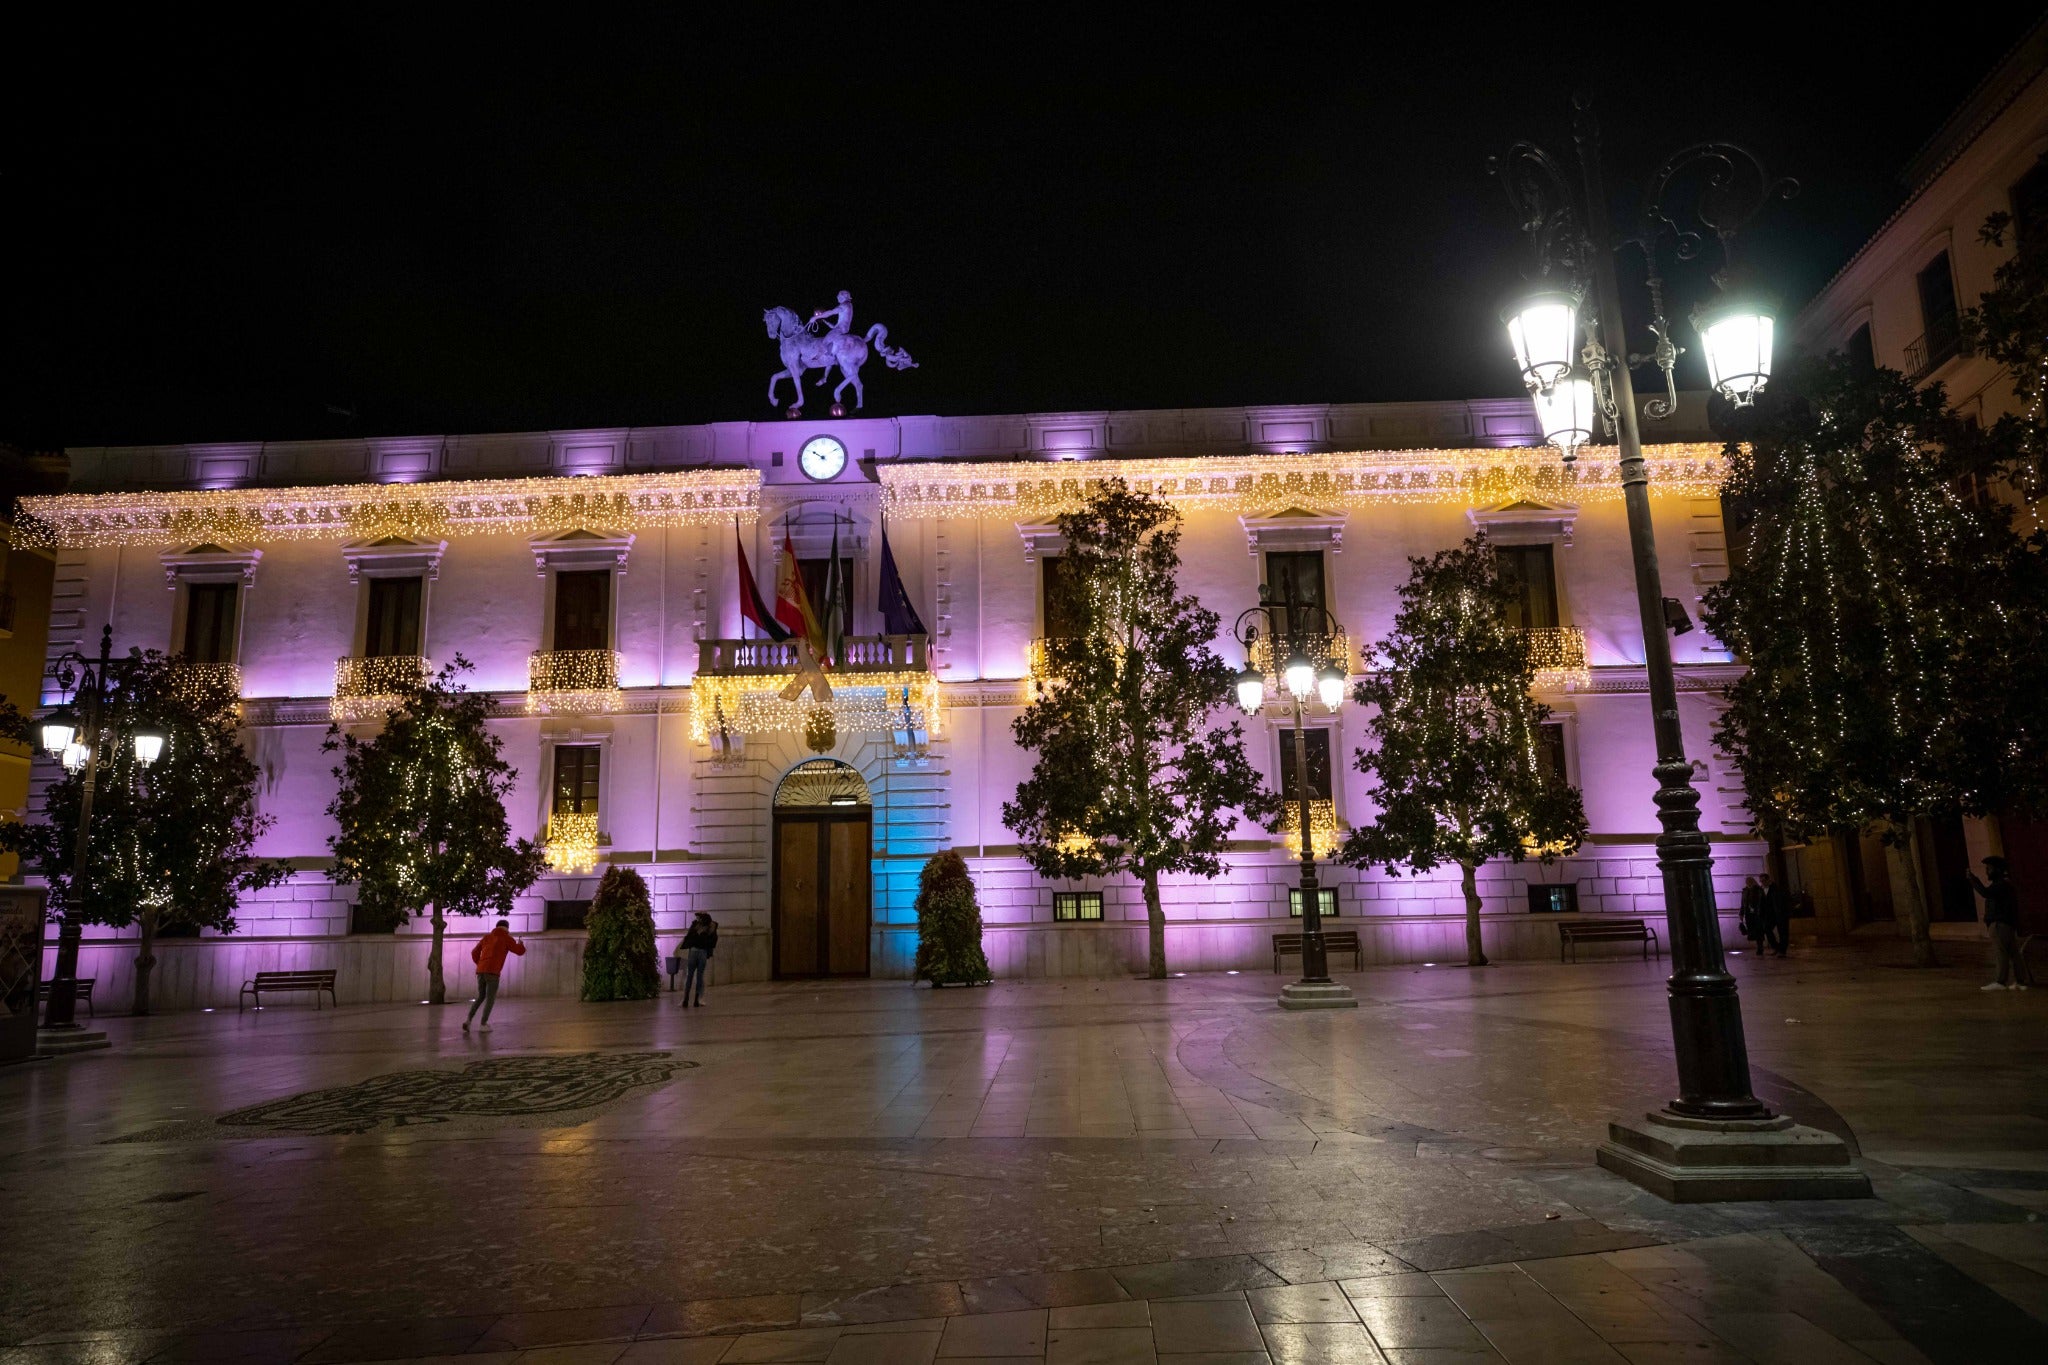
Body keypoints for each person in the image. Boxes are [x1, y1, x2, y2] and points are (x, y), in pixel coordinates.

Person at [1969, 856, 2034, 991]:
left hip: (1999, 924)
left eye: (1989, 868)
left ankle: (2000, 981)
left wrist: (1973, 880)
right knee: (2014, 953)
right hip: (2006, 924)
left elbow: (1985, 893)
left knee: (2001, 952)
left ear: (1997, 869)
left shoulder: (2001, 885)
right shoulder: (2006, 885)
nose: (1987, 871)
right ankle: (2020, 981)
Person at [464, 918, 526, 1031]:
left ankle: (468, 1020)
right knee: (490, 998)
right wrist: (521, 944)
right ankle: (483, 1024)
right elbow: (519, 951)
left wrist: (480, 964)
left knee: (480, 996)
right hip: (493, 972)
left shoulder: (486, 937)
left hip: (481, 971)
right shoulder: (507, 938)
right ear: (507, 928)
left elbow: (474, 952)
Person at [680, 912, 718, 1007]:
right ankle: (696, 999)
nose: (697, 918)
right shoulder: (711, 926)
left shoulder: (697, 925)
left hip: (695, 951)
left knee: (691, 975)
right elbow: (713, 941)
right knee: (699, 976)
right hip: (702, 951)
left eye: (698, 916)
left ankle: (687, 999)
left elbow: (689, 937)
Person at [1759, 872, 1791, 957]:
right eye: (1761, 881)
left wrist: (1785, 912)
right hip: (1770, 915)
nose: (1762, 883)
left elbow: (1783, 901)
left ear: (1768, 880)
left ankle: (1782, 951)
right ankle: (1777, 947)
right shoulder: (1762, 890)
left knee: (1783, 932)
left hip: (1780, 914)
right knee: (1767, 928)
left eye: (1763, 880)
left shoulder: (1776, 888)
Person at [1738, 875, 1765, 953]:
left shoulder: (1758, 890)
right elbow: (1743, 903)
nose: (1748, 883)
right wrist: (1741, 913)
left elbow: (1761, 902)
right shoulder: (1745, 891)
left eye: (1749, 881)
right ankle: (1759, 946)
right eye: (1747, 882)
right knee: (1752, 930)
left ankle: (1760, 947)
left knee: (1759, 930)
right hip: (1749, 914)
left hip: (1757, 914)